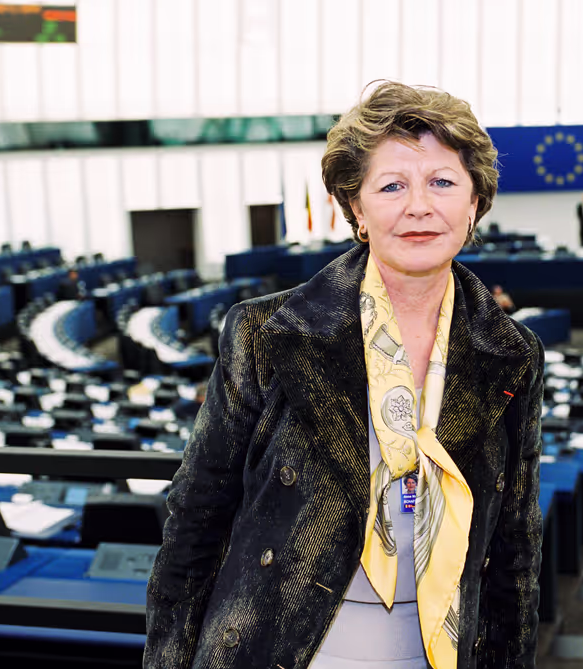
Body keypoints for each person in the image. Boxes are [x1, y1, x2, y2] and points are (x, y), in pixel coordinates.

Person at [145, 81, 544, 669]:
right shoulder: (264, 333)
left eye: (442, 182)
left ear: (475, 202)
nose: (419, 206)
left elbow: (516, 551)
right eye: (392, 186)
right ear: (356, 207)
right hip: (277, 650)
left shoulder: (512, 353)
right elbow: (194, 523)